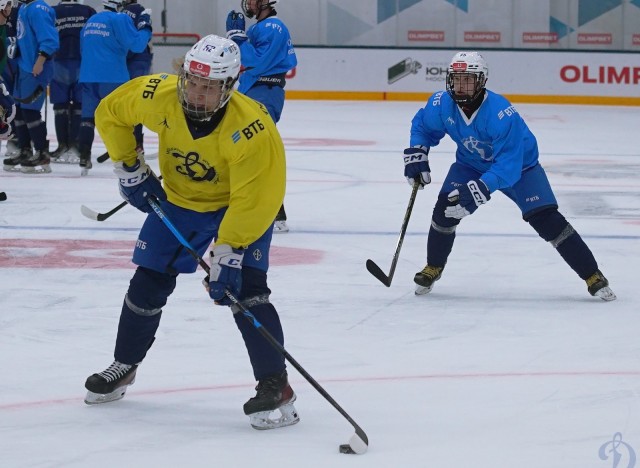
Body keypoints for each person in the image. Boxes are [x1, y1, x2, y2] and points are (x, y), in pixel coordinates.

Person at [84, 35, 299, 431]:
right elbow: (111, 111)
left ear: (229, 86)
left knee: (246, 291)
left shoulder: (252, 126)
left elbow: (260, 196)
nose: (196, 94)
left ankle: (275, 383)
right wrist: (129, 167)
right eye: (192, 82)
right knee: (146, 284)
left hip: (237, 209)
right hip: (181, 203)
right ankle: (125, 365)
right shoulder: (160, 94)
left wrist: (230, 250)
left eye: (209, 87)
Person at [403, 51, 616, 301]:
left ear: (481, 81)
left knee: (548, 221)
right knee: (444, 210)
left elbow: (509, 166)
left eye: (468, 80)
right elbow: (423, 126)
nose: (461, 86)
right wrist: (418, 152)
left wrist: (480, 189)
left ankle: (592, 274)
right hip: (471, 165)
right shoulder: (441, 103)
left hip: (521, 170)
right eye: (457, 79)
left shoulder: (501, 113)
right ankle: (433, 268)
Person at [226, 0, 297, 233]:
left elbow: (255, 62)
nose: (249, 3)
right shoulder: (260, 27)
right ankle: (263, 207)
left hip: (265, 93)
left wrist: (237, 37)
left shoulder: (273, 27)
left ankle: (274, 211)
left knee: (257, 149)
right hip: (253, 92)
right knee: (246, 150)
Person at [76, 0, 151, 175]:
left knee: (88, 117)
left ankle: (84, 156)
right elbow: (138, 45)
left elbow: (83, 49)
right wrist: (146, 26)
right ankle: (130, 158)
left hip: (88, 75)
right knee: (123, 118)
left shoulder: (91, 21)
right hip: (113, 77)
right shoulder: (120, 19)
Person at [2, 0, 58, 174]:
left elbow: (49, 39)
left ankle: (42, 152)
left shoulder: (38, 9)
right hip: (24, 66)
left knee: (30, 111)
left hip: (36, 68)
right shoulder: (26, 8)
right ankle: (24, 150)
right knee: (18, 109)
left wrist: (41, 61)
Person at [50, 0, 96, 164]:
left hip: (58, 61)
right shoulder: (88, 11)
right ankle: (76, 145)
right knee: (79, 105)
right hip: (82, 62)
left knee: (60, 106)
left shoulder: (52, 11)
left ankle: (62, 144)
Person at [121, 0, 152, 156]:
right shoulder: (140, 11)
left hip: (132, 60)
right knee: (135, 102)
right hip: (141, 60)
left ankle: (131, 141)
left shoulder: (126, 12)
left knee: (127, 102)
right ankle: (137, 142)